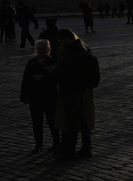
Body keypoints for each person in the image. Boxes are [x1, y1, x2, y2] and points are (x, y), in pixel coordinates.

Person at [55, 29, 96, 160]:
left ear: (66, 39)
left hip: (73, 90)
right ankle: (86, 147)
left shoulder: (74, 51)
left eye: (61, 41)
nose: (60, 44)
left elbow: (69, 72)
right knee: (82, 120)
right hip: (80, 90)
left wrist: (56, 72)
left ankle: (71, 150)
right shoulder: (82, 48)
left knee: (72, 121)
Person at [20, 39, 60, 153]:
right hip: (34, 96)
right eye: (39, 49)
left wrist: (44, 78)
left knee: (52, 121)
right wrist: (24, 96)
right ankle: (38, 145)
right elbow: (25, 80)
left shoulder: (52, 62)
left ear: (48, 49)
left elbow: (57, 79)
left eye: (43, 49)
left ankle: (56, 143)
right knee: (36, 122)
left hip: (49, 96)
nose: (41, 51)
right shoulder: (31, 62)